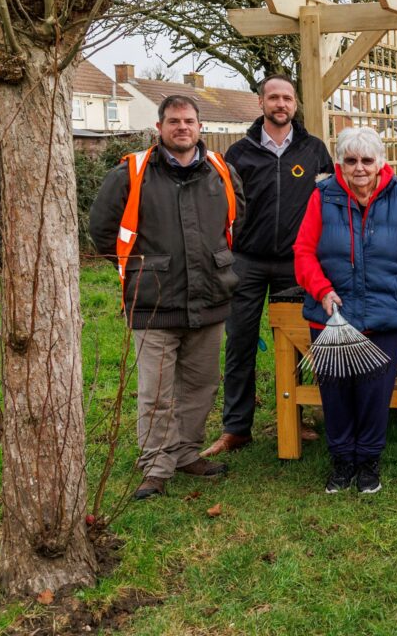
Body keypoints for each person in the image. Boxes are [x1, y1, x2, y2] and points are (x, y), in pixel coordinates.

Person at [89, 94, 245, 500]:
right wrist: (143, 270)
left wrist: (216, 261)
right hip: (154, 301)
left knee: (201, 385)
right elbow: (103, 231)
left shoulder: (219, 170)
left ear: (199, 126)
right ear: (158, 128)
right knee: (156, 393)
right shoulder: (131, 173)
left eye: (189, 121)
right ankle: (156, 467)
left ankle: (186, 453)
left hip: (209, 297)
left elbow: (235, 220)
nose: (182, 127)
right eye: (173, 121)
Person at [203, 74, 334, 458]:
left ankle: (295, 418)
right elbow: (221, 207)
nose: (281, 104)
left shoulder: (314, 151)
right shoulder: (239, 154)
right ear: (260, 103)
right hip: (246, 260)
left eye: (287, 98)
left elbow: (328, 204)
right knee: (240, 341)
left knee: (296, 343)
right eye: (273, 98)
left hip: (297, 263)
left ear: (295, 104)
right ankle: (236, 427)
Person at [293, 127, 397, 493]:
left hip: (383, 317)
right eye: (351, 160)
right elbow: (304, 252)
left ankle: (368, 462)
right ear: (340, 163)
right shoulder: (323, 197)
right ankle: (341, 462)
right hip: (330, 315)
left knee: (374, 392)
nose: (359, 168)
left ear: (380, 163)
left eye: (367, 160)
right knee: (335, 392)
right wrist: (321, 290)